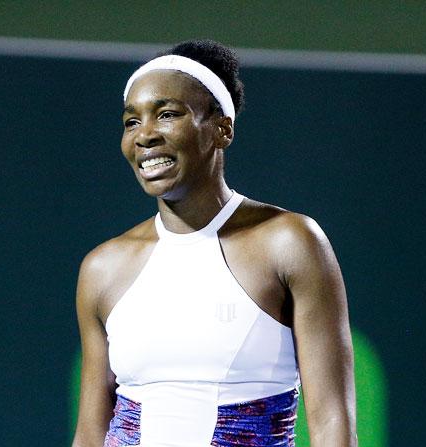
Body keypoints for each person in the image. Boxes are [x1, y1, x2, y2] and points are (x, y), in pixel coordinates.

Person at [72, 39, 357, 447]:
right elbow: (89, 434)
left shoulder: (290, 242)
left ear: (222, 129)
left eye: (167, 114)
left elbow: (332, 422)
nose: (145, 135)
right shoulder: (102, 268)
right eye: (132, 121)